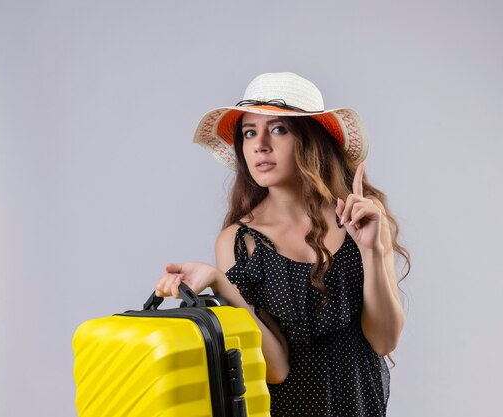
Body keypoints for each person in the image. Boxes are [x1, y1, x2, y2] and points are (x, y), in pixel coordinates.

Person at [155, 72, 410, 417]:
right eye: (249, 133)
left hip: (360, 404)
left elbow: (384, 340)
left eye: (278, 129)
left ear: (310, 139)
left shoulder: (358, 217)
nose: (260, 144)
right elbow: (276, 368)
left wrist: (372, 250)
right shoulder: (239, 242)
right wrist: (220, 281)